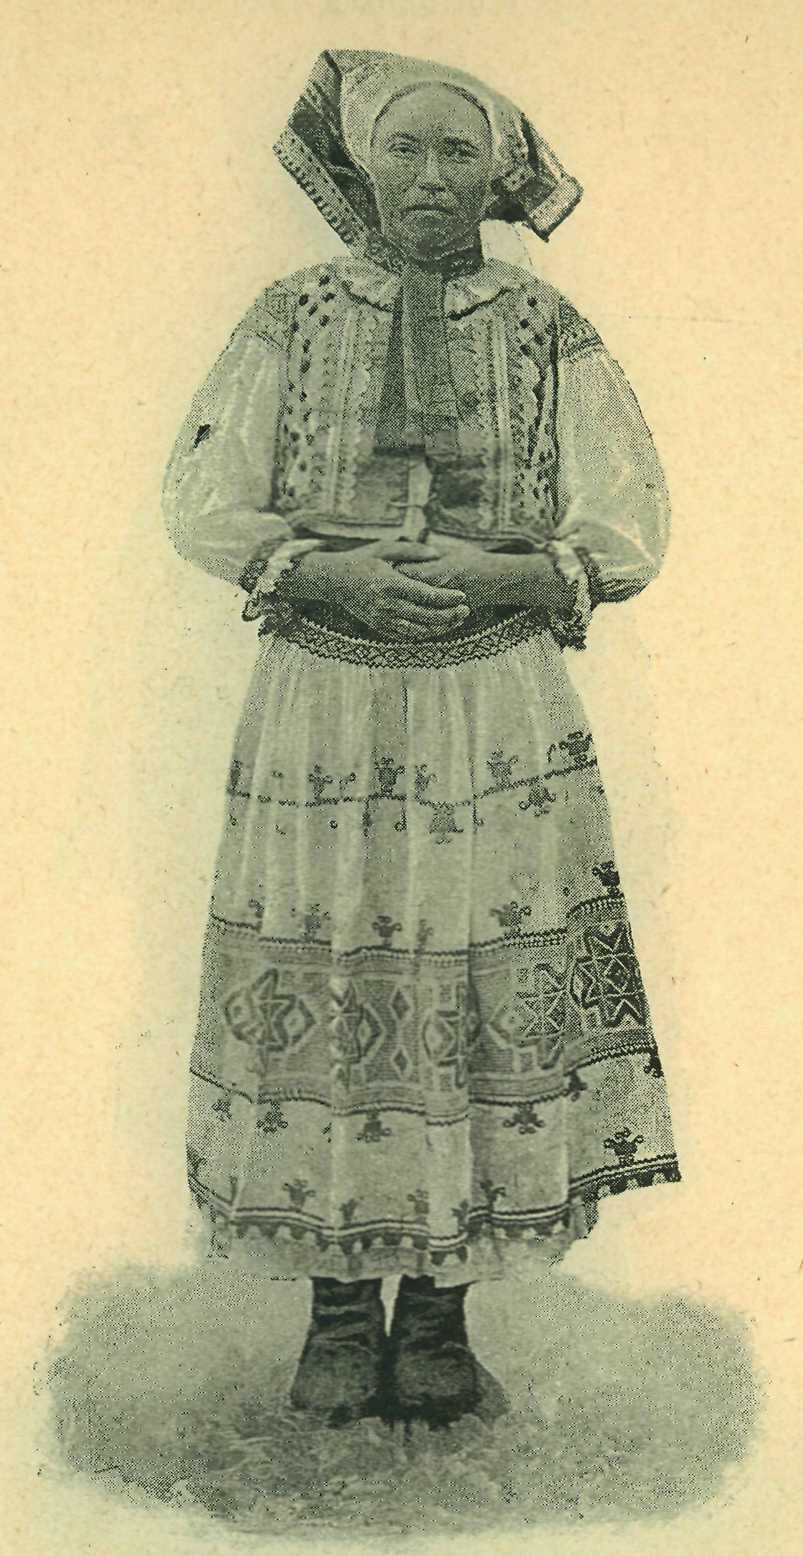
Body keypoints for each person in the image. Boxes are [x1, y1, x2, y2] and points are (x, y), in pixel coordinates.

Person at [163, 49, 680, 1431]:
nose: (433, 178)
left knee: (472, 979)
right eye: (407, 150)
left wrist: (517, 574)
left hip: (497, 704)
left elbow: (627, 513)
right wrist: (322, 571)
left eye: (461, 153)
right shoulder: (290, 315)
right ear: (361, 164)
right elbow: (204, 493)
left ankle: (442, 1319)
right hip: (322, 707)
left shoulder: (548, 326)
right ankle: (338, 1316)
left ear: (500, 174)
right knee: (336, 971)